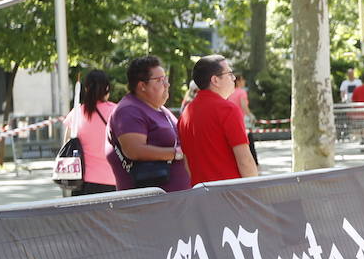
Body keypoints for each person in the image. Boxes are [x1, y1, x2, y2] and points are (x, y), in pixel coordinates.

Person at [106, 55, 190, 192]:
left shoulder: (160, 109)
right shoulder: (128, 111)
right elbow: (134, 150)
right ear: (142, 85)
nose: (166, 84)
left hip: (172, 201)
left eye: (166, 79)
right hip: (148, 204)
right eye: (160, 80)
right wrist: (178, 153)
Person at [178, 55, 259, 185]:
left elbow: (187, 164)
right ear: (215, 80)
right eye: (230, 74)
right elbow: (245, 161)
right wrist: (256, 191)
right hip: (231, 194)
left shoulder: (185, 114)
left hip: (200, 195)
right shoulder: (227, 109)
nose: (234, 78)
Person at [61, 69, 118, 196]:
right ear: (107, 88)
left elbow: (66, 144)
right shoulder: (117, 112)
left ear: (86, 88)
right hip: (112, 180)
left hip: (81, 181)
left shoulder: (77, 113)